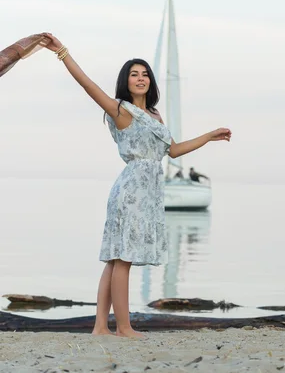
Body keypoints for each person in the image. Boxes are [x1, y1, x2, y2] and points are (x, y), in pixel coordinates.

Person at [41, 33, 231, 338]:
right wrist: (63, 52)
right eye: (134, 74)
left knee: (117, 257)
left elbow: (174, 150)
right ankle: (124, 327)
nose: (140, 78)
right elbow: (88, 85)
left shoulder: (154, 115)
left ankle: (100, 327)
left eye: (145, 74)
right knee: (123, 258)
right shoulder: (121, 110)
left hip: (149, 190)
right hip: (130, 190)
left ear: (150, 82)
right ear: (125, 81)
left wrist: (209, 136)